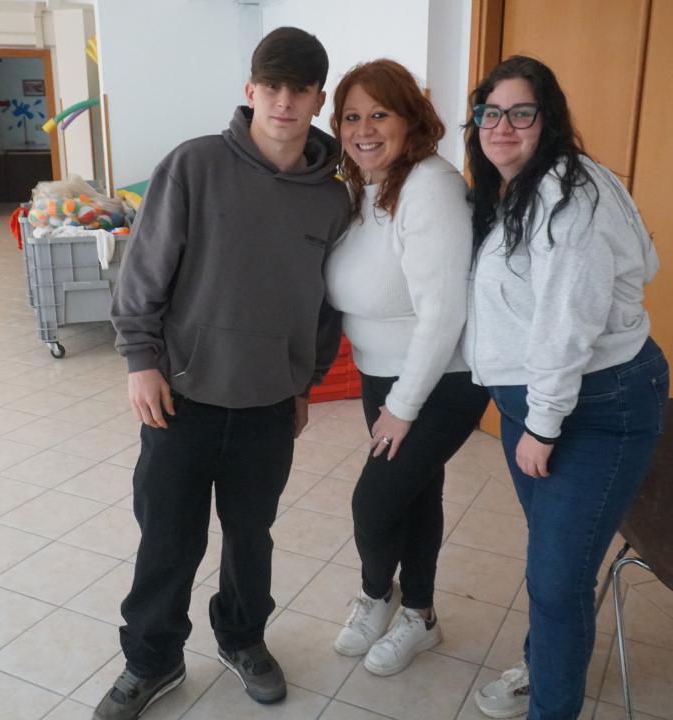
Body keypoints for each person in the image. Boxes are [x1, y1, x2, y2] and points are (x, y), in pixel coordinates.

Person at [96, 27, 350, 720]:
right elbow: (143, 272)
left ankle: (242, 638)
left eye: (300, 89)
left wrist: (305, 384)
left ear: (319, 99)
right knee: (168, 539)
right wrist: (140, 361)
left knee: (250, 538)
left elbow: (325, 305)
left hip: (269, 403)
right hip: (181, 395)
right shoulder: (195, 164)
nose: (284, 101)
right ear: (250, 91)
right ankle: (152, 660)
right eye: (272, 86)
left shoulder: (331, 201)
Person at [463, 56, 669, 719]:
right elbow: (645, 260)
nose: (502, 126)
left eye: (521, 112)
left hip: (592, 408)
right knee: (553, 560)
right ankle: (541, 665)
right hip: (538, 402)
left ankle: (550, 704)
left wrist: (542, 423)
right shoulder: (519, 188)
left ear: (547, 119)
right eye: (490, 112)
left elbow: (566, 324)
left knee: (557, 578)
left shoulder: (566, 195)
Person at [324, 59, 490, 676]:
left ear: (410, 119)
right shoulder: (362, 186)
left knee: (373, 504)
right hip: (382, 372)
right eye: (351, 117)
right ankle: (419, 614)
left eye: (379, 114)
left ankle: (378, 594)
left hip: (441, 380)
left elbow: (444, 314)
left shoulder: (430, 187)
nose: (363, 129)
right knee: (417, 494)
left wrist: (402, 407)